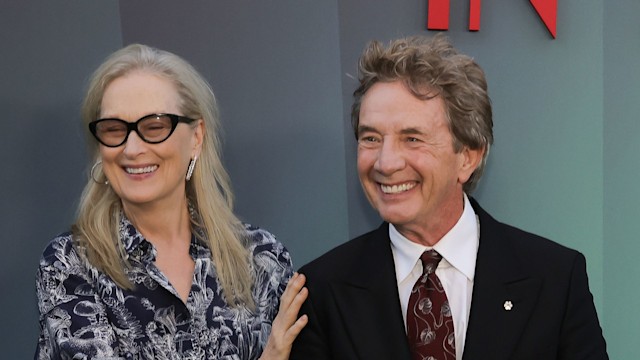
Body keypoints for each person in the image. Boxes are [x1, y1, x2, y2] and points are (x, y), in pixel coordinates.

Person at [290, 34, 608, 360]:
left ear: (467, 157)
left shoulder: (554, 279)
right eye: (371, 138)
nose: (385, 163)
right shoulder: (321, 290)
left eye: (412, 139)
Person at [35, 44, 308, 359]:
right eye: (114, 130)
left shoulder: (261, 257)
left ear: (196, 137)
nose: (132, 148)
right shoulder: (70, 263)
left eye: (154, 127)